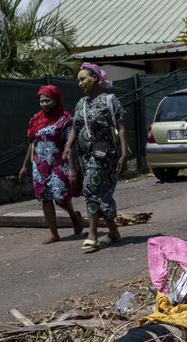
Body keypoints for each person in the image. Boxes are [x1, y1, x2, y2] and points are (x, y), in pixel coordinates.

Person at [63, 62, 128, 253]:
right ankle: (113, 231)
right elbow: (75, 127)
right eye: (79, 80)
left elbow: (122, 127)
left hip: (106, 154)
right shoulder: (81, 104)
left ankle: (92, 235)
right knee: (102, 193)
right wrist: (68, 145)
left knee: (90, 187)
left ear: (96, 79)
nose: (80, 83)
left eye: (83, 79)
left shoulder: (110, 100)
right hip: (86, 155)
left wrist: (124, 154)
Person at [18, 84, 83, 244]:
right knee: (45, 199)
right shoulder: (35, 120)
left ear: (56, 99)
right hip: (39, 166)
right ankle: (54, 233)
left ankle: (74, 216)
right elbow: (32, 144)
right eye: (42, 101)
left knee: (60, 196)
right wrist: (25, 166)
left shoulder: (65, 119)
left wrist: (72, 168)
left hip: (58, 164)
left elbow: (70, 144)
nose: (45, 104)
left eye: (48, 100)